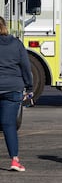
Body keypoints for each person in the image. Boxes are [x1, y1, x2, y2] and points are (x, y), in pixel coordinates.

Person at [0, 17, 33, 172]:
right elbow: (26, 66)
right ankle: (14, 160)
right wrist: (30, 87)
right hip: (13, 89)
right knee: (8, 125)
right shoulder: (16, 44)